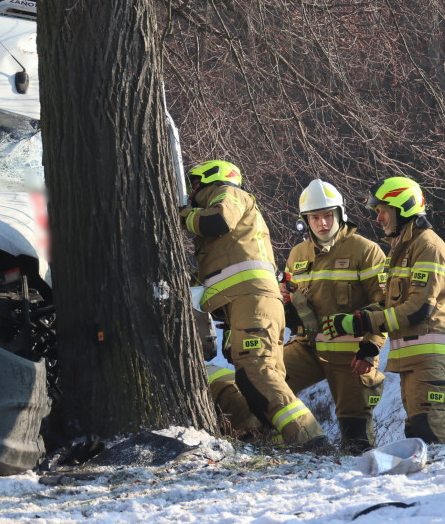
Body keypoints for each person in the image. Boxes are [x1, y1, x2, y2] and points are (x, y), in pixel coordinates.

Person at [181, 160, 328, 449]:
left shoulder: (229, 194)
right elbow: (221, 266)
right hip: (252, 302)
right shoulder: (234, 233)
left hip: (253, 301)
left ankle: (312, 440)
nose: (192, 192)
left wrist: (180, 215)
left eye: (194, 184)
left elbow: (217, 221)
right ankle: (280, 443)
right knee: (259, 382)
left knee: (256, 373)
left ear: (212, 178)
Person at [323, 176, 445, 443]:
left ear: (402, 207)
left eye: (382, 211)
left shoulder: (428, 246)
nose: (378, 218)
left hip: (430, 362)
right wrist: (369, 342)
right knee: (418, 437)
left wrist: (361, 324)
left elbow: (417, 309)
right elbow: (391, 305)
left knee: (433, 438)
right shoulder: (401, 250)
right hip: (413, 362)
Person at [280, 179, 386, 452]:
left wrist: (370, 347)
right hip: (307, 347)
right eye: (315, 217)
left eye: (328, 215)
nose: (322, 223)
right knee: (267, 379)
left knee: (356, 439)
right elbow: (290, 302)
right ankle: (272, 444)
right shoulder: (297, 254)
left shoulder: (365, 250)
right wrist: (285, 304)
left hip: (350, 355)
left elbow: (384, 303)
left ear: (340, 214)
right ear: (306, 220)